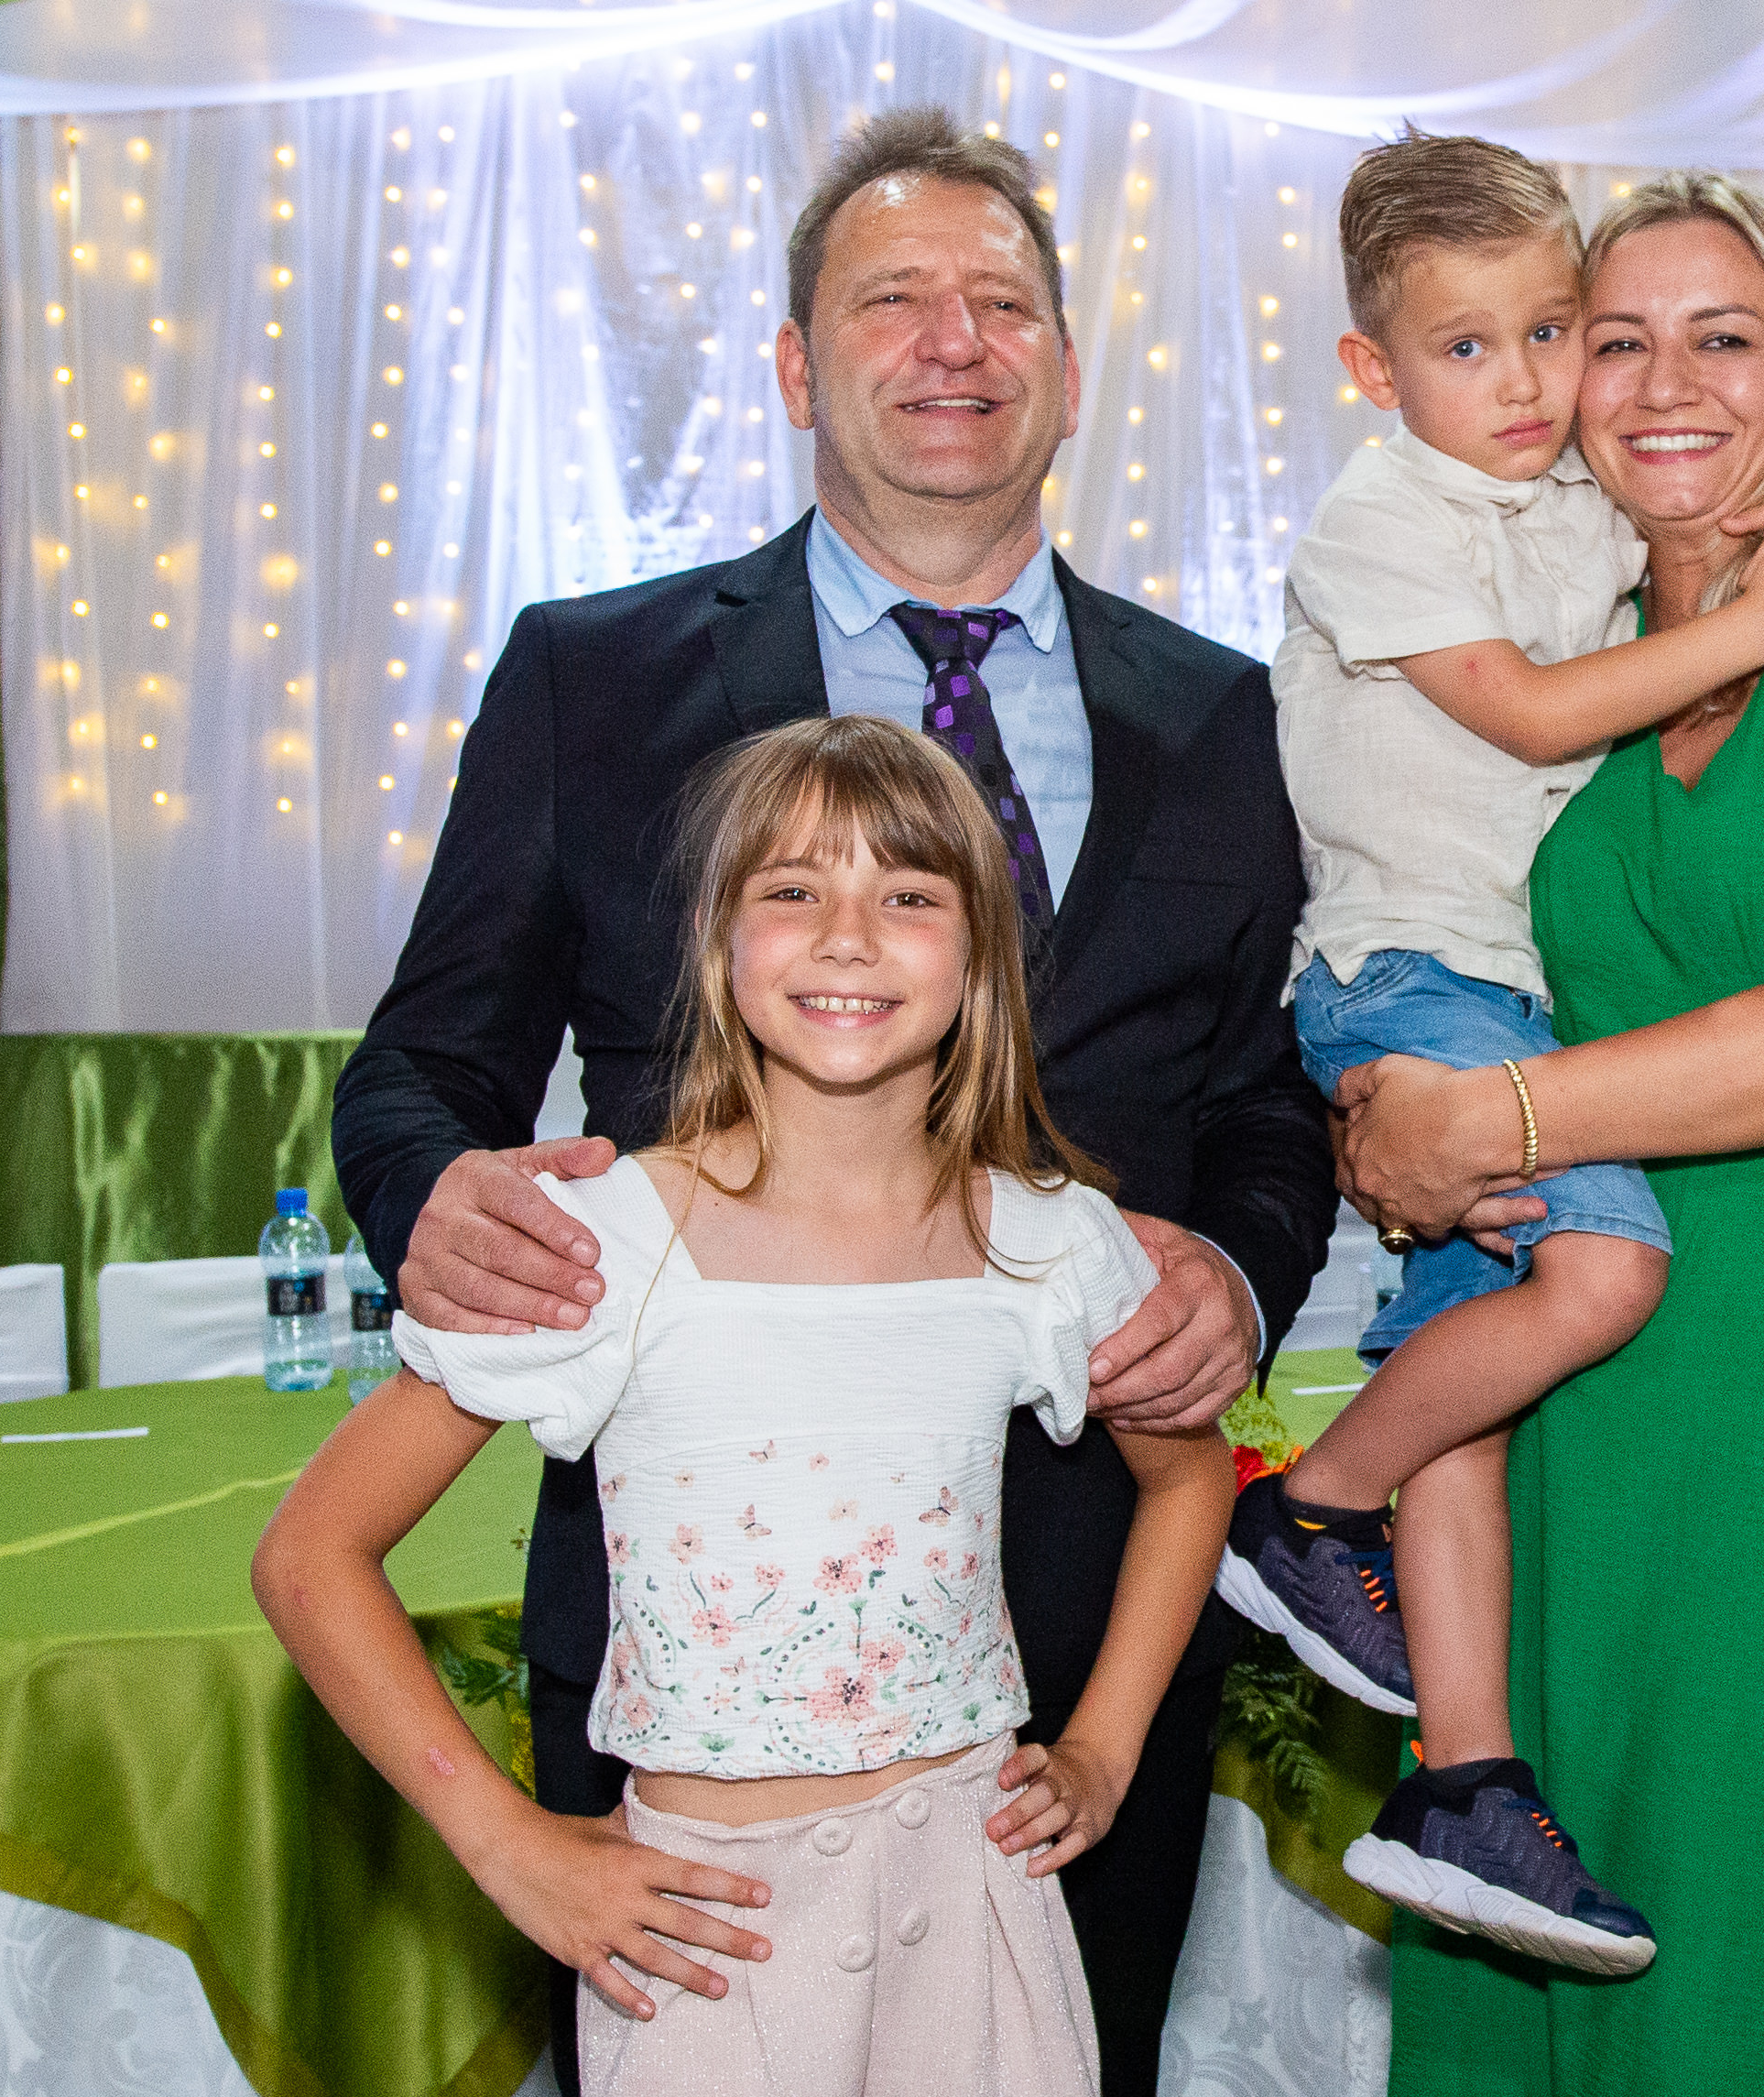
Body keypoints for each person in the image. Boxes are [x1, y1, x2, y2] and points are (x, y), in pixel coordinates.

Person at [330, 109, 1337, 2094]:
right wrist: (433, 1191)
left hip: (1078, 1678)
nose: (953, 341)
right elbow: (422, 1063)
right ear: (797, 365)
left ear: (1068, 368)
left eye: (1002, 305)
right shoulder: (592, 675)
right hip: (697, 1678)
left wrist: (1234, 1268)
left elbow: (1265, 1100)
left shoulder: (1223, 708)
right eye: (892, 300)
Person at [262, 715, 1236, 2097]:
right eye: (792, 889)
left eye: (909, 896)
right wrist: (505, 1841)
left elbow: (1189, 1475)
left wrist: (1104, 1748)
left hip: (980, 1910)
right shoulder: (603, 1239)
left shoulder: (1049, 1238)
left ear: (981, 960)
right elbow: (311, 1554)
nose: (848, 936)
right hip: (711, 1942)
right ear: (720, 943)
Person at [1343, 173, 1764, 2092]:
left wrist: (1487, 1113)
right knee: (1530, 1943)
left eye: (1720, 337)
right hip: (1546, 1405)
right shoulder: (1543, 669)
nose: (1662, 384)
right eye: (1612, 339)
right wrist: (1376, 1104)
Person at [1215, 133, 1764, 1978]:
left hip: (1503, 996)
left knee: (1468, 1364)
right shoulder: (1381, 517)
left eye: (1548, 333)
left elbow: (1733, 501)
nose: (1525, 386)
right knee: (1599, 1272)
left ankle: (1466, 1775)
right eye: (1470, 348)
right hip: (1408, 970)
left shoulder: (1567, 496)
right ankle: (1305, 1507)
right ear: (1371, 369)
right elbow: (1525, 711)